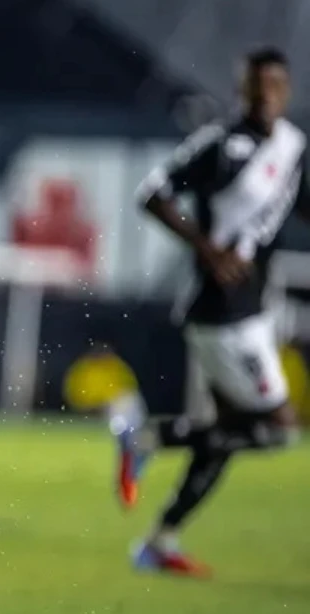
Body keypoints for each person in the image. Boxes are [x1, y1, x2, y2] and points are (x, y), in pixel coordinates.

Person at [110, 46, 305, 577]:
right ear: (243, 88)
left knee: (224, 437)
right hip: (222, 315)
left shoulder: (292, 148)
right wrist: (208, 249)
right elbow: (152, 194)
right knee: (280, 429)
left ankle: (159, 542)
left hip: (253, 312)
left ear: (286, 91)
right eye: (257, 85)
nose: (266, 95)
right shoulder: (220, 143)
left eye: (275, 86)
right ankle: (145, 437)